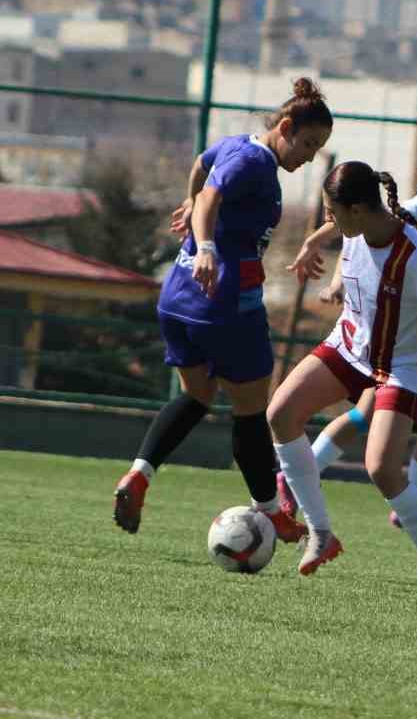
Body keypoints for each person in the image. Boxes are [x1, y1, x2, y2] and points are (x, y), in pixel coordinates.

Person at [267, 161, 417, 597]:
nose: (332, 221)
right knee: (281, 413)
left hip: (404, 364)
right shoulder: (355, 228)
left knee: (380, 467)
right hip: (350, 345)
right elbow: (331, 228)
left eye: (334, 211)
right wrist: (309, 245)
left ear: (359, 210)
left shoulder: (416, 259)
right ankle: (321, 534)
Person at [112, 78, 333, 542]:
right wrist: (207, 241)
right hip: (226, 301)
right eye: (309, 143)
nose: (310, 156)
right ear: (286, 127)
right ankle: (271, 511)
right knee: (252, 411)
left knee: (196, 395)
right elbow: (213, 195)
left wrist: (192, 203)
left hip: (177, 295)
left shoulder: (237, 145)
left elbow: (201, 168)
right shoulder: (256, 163)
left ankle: (139, 473)